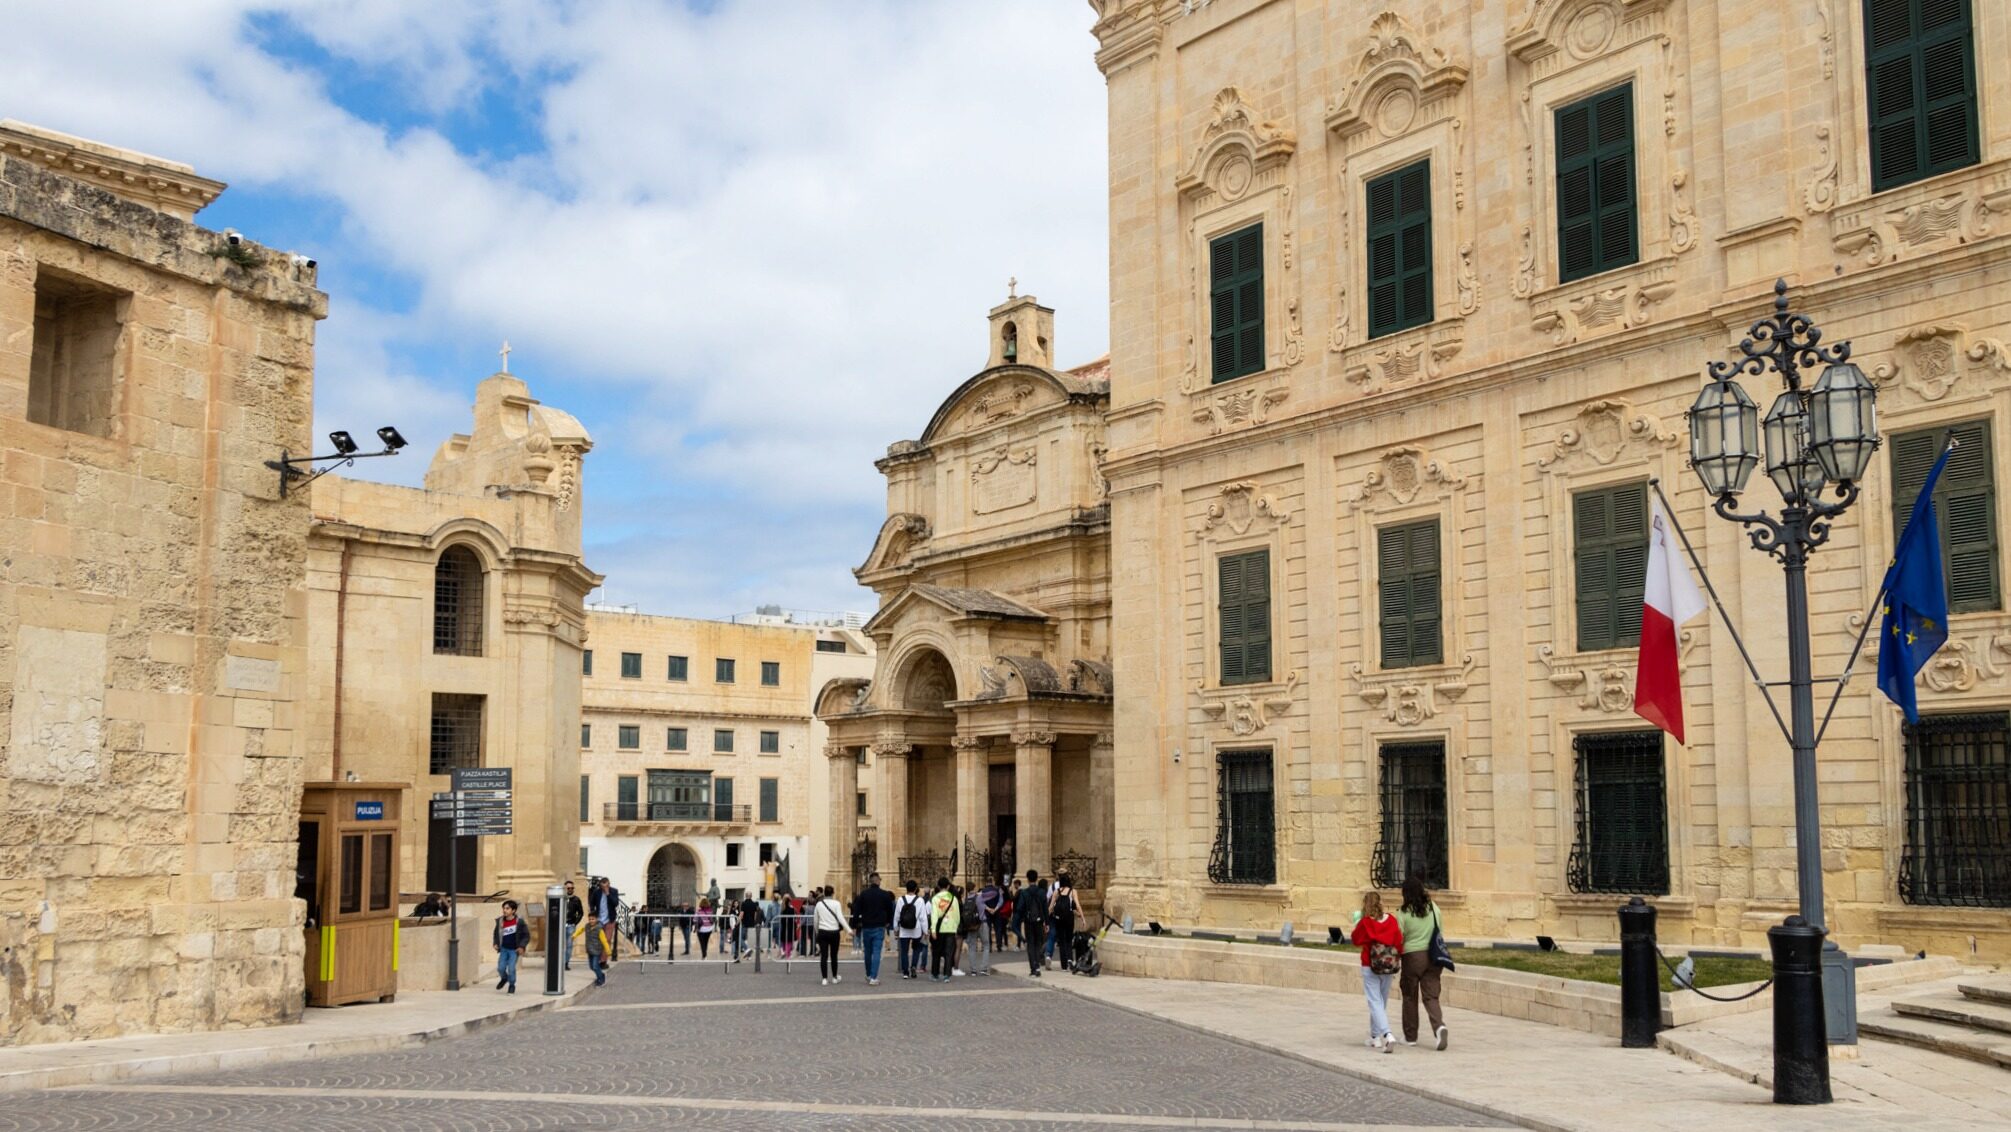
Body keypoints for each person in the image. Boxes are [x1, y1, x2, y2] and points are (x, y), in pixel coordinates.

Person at [1397, 876, 1449, 1050]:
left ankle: (1410, 1036)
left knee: (1410, 996)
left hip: (1412, 956)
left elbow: (1399, 937)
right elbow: (1440, 932)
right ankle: (1439, 1026)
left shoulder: (1403, 912)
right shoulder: (1434, 908)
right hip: (1433, 956)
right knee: (1431, 996)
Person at [1351, 889, 1404, 1053]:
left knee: (1374, 1002)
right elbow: (1399, 941)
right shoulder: (1392, 920)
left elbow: (1355, 939)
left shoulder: (1365, 922)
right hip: (1388, 965)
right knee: (1381, 1001)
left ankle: (1387, 1035)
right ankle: (1375, 1037)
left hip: (1370, 964)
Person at [853, 873, 895, 986]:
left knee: (867, 951)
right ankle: (873, 976)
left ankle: (868, 974)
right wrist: (888, 922)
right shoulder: (885, 895)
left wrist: (854, 924)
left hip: (866, 926)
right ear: (878, 881)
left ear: (870, 881)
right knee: (876, 951)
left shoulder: (864, 894)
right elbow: (890, 910)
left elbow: (857, 910)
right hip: (879, 926)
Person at [1012, 869, 1049, 978]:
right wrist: (1047, 923)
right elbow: (1045, 909)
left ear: (1027, 879)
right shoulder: (1042, 892)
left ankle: (1033, 968)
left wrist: (1018, 919)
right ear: (1036, 878)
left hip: (1028, 921)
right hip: (1039, 921)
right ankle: (1037, 965)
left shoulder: (1024, 893)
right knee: (1038, 944)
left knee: (1030, 944)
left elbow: (1020, 908)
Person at [492, 900, 529, 993]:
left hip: (514, 950)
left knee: (511, 968)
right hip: (504, 949)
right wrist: (495, 943)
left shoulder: (519, 922)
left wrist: (521, 946)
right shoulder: (500, 921)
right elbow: (496, 934)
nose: (505, 910)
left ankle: (512, 985)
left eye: (507, 908)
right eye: (504, 908)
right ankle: (504, 978)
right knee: (500, 968)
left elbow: (526, 935)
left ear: (513, 910)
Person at [812, 884, 847, 986]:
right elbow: (840, 918)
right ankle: (835, 977)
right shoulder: (837, 903)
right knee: (834, 955)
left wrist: (817, 931)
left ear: (824, 893)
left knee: (824, 956)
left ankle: (824, 978)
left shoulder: (819, 904)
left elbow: (815, 920)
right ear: (832, 893)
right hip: (834, 932)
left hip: (823, 931)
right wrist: (848, 929)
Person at [894, 879, 929, 980]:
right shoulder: (920, 900)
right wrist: (925, 931)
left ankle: (905, 972)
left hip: (904, 929)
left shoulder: (901, 900)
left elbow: (897, 915)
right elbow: (923, 917)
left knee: (904, 951)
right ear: (916, 889)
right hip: (916, 929)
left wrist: (896, 928)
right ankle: (913, 966)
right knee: (916, 950)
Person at [928, 877, 960, 982]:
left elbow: (934, 915)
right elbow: (957, 916)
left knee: (936, 952)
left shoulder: (935, 898)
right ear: (948, 886)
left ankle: (935, 974)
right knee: (948, 952)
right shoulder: (953, 898)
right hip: (950, 928)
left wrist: (933, 930)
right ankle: (947, 974)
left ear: (938, 886)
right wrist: (955, 927)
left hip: (939, 928)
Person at [1048, 873, 1081, 973]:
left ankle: (1064, 966)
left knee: (1061, 941)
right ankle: (1070, 959)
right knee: (1068, 940)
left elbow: (1050, 907)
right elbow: (1076, 905)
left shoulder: (1056, 892)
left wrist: (1047, 918)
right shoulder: (1072, 891)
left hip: (1059, 919)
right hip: (1069, 918)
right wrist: (1080, 915)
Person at [971, 877, 1001, 976]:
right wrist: (994, 909)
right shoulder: (991, 892)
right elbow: (998, 898)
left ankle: (973, 970)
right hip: (988, 918)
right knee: (987, 943)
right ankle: (984, 968)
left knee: (972, 946)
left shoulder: (974, 896)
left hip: (976, 922)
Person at [575, 910, 611, 986]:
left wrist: (608, 950)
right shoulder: (587, 926)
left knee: (595, 966)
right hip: (589, 950)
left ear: (597, 919)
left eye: (593, 919)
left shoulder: (599, 929)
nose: (591, 921)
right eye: (590, 919)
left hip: (597, 951)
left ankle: (601, 979)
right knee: (591, 967)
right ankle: (601, 974)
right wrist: (574, 935)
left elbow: (604, 940)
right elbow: (581, 930)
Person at [560, 881, 584, 970]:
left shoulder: (576, 900)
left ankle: (566, 963)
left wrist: (575, 922)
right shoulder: (561, 899)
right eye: (568, 888)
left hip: (570, 925)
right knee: (560, 945)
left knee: (569, 945)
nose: (570, 890)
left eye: (572, 888)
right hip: (561, 925)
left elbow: (581, 913)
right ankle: (560, 962)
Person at [737, 892, 764, 961]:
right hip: (752, 924)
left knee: (740, 938)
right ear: (751, 896)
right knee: (748, 940)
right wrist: (753, 922)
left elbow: (742, 913)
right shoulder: (754, 904)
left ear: (746, 896)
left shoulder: (743, 903)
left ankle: (747, 949)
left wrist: (738, 921)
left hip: (745, 924)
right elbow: (755, 915)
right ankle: (749, 956)